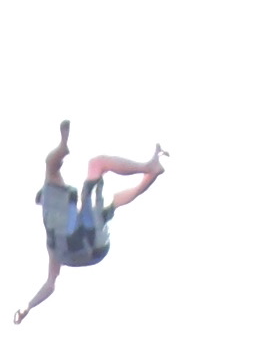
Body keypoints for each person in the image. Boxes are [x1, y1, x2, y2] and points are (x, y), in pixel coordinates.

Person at [14, 120, 166, 322]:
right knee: (94, 165)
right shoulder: (88, 214)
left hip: (78, 250)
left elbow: (50, 283)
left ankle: (62, 147)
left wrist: (28, 306)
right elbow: (133, 193)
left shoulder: (55, 245)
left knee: (55, 174)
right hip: (94, 245)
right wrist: (150, 173)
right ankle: (147, 166)